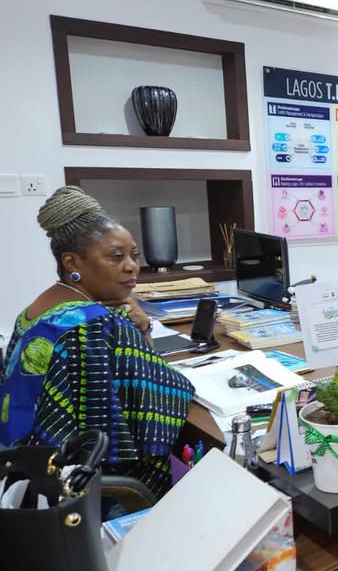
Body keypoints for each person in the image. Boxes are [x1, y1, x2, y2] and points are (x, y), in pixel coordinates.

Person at [0, 187, 194, 495]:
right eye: (116, 257)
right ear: (72, 263)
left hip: (21, 471)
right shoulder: (96, 324)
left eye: (134, 255)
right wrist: (142, 331)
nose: (132, 266)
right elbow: (168, 390)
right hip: (81, 488)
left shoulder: (36, 309)